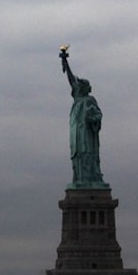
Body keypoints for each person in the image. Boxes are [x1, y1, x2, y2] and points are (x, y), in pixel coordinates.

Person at [60, 46, 107, 188]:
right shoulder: (77, 98)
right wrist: (65, 61)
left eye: (80, 85)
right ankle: (79, 179)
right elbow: (70, 79)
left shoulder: (90, 100)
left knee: (87, 154)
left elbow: (98, 115)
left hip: (87, 134)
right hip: (77, 133)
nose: (77, 86)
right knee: (78, 155)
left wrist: (93, 119)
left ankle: (92, 179)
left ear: (86, 88)